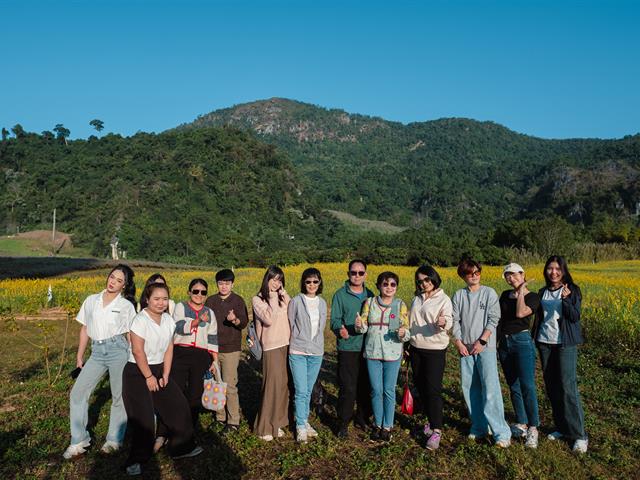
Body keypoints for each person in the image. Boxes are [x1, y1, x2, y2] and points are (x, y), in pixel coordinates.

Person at [122, 282, 203, 476]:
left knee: (178, 405)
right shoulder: (140, 320)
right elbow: (137, 350)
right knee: (144, 419)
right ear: (147, 300)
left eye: (164, 299)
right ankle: (137, 460)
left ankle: (180, 448)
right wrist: (149, 376)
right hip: (137, 371)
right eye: (156, 299)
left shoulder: (167, 320)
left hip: (159, 369)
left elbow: (169, 348)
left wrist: (165, 374)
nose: (161, 303)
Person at [63, 265, 137, 460]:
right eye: (112, 277)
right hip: (96, 352)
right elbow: (85, 328)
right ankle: (79, 441)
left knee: (119, 395)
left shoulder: (126, 306)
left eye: (119, 280)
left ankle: (114, 439)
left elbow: (130, 333)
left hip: (118, 350)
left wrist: (133, 356)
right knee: (77, 393)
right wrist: (80, 355)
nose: (113, 282)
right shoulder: (91, 300)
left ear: (124, 285)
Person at [452, 258, 511, 447]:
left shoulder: (489, 293)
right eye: (470, 273)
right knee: (470, 388)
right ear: (463, 276)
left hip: (485, 347)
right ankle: (479, 426)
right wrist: (459, 343)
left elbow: (494, 318)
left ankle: (501, 433)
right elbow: (454, 320)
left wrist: (482, 340)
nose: (475, 276)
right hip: (465, 348)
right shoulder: (459, 295)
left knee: (490, 388)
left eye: (477, 272)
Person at [532, 255, 588, 453]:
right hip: (545, 343)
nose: (553, 272)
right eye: (549, 268)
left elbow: (574, 316)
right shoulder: (543, 292)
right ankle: (562, 428)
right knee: (552, 387)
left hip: (564, 344)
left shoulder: (572, 290)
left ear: (563, 270)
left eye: (557, 269)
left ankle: (579, 434)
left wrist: (565, 300)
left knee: (567, 387)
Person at [154, 279, 218, 450]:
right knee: (174, 393)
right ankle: (162, 432)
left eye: (203, 292)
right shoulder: (181, 307)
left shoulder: (210, 313)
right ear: (189, 292)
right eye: (196, 291)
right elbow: (178, 327)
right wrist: (197, 322)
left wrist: (214, 361)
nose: (199, 295)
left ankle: (186, 434)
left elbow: (212, 337)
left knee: (195, 396)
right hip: (180, 353)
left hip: (201, 356)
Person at [355, 271, 409, 441]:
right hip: (372, 352)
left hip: (393, 353)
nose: (389, 287)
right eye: (385, 284)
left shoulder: (400, 305)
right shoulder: (369, 303)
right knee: (376, 390)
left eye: (393, 284)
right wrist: (359, 325)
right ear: (378, 285)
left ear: (396, 287)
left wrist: (403, 333)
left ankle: (387, 426)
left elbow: (406, 332)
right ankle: (378, 424)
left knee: (389, 390)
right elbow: (363, 328)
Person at [408, 265, 453, 450]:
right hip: (416, 348)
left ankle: (436, 430)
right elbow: (410, 321)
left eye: (427, 279)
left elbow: (448, 319)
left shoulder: (444, 299)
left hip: (435, 349)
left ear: (434, 278)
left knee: (433, 389)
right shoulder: (416, 299)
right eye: (420, 281)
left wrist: (444, 322)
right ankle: (429, 421)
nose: (424, 283)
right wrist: (406, 344)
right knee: (420, 386)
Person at [498, 263, 541, 448]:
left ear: (522, 274)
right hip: (505, 343)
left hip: (522, 341)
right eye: (507, 275)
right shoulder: (505, 295)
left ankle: (533, 427)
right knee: (513, 384)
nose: (510, 278)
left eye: (514, 274)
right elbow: (499, 319)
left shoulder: (533, 297)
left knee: (527, 385)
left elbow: (520, 312)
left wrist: (522, 291)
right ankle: (521, 422)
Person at [330, 259, 374, 438]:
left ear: (365, 274)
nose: (357, 276)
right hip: (348, 347)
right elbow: (334, 320)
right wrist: (341, 330)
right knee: (348, 388)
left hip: (369, 347)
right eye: (353, 272)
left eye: (360, 273)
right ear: (348, 274)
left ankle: (362, 417)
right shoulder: (340, 295)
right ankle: (343, 422)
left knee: (365, 386)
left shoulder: (371, 294)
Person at [205, 268, 249, 434]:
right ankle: (220, 416)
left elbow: (243, 322)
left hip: (231, 348)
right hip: (213, 348)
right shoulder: (211, 301)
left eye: (227, 283)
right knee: (217, 383)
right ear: (217, 284)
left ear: (232, 284)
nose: (224, 286)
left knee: (230, 385)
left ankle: (233, 421)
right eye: (221, 283)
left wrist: (234, 319)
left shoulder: (237, 300)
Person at [252, 266, 292, 441]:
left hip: (287, 344)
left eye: (279, 280)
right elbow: (268, 319)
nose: (276, 283)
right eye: (273, 279)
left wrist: (285, 296)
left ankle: (277, 422)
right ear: (266, 279)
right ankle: (264, 427)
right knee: (271, 386)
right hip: (271, 346)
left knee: (283, 386)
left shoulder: (282, 298)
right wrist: (273, 296)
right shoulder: (258, 299)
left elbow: (292, 313)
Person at [288, 267, 327, 442]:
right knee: (301, 390)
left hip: (316, 352)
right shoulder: (296, 301)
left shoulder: (322, 303)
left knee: (309, 390)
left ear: (319, 283)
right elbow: (290, 323)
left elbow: (321, 328)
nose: (312, 285)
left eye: (315, 281)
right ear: (304, 283)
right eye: (308, 281)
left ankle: (304, 420)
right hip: (298, 351)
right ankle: (301, 426)